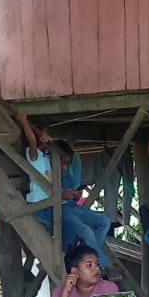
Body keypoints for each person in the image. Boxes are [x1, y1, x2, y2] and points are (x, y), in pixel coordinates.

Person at [17, 112, 113, 267]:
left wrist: (71, 195)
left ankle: (88, 252)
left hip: (55, 204)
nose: (65, 168)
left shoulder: (49, 160)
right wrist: (23, 120)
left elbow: (56, 186)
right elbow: (33, 141)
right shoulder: (34, 156)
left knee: (105, 222)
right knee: (86, 231)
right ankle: (101, 262)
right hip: (41, 207)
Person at [52, 242, 121, 297]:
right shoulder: (60, 292)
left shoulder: (108, 289)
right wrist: (65, 292)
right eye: (89, 265)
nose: (97, 268)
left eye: (97, 264)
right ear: (75, 271)